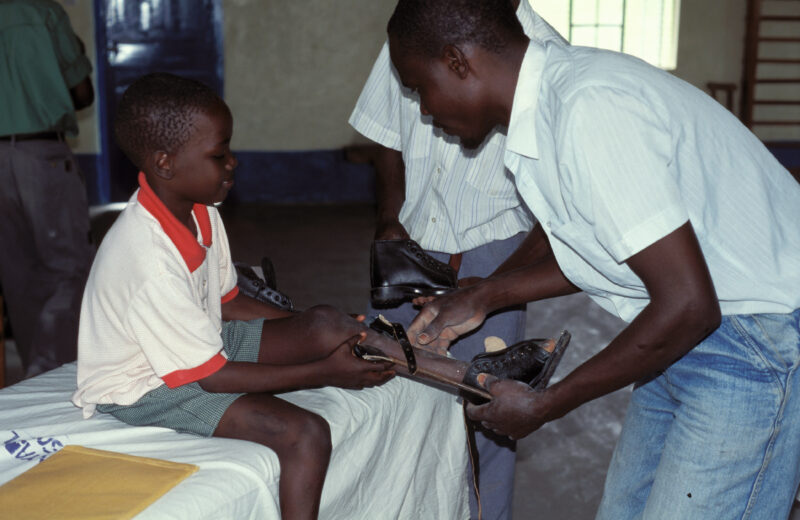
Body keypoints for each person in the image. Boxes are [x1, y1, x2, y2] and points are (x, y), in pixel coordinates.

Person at [72, 72, 553, 520]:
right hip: (147, 385)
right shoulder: (146, 256)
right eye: (220, 154)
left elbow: (228, 299)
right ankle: (476, 379)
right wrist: (325, 371)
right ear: (165, 164)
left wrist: (316, 334)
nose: (233, 161)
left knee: (328, 323)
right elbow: (213, 378)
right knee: (304, 433)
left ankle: (476, 375)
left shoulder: (199, 211)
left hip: (199, 343)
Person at [385, 0, 800, 518]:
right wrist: (484, 294)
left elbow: (691, 304)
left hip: (753, 342)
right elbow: (605, 251)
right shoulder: (551, 111)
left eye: (419, 88)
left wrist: (546, 404)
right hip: (686, 339)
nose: (423, 110)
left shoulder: (589, 110)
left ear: (457, 61)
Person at [348, 2, 566, 518]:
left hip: (501, 254)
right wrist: (389, 218)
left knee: (487, 412)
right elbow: (387, 132)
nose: (424, 107)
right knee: (394, 397)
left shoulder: (544, 58)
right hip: (411, 246)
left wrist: (495, 284)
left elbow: (560, 212)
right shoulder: (417, 30)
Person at [0, 0, 96, 378]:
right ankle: (55, 373)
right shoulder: (42, 12)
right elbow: (82, 94)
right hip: (41, 156)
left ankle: (34, 377)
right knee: (66, 269)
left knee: (15, 274)